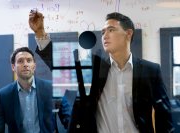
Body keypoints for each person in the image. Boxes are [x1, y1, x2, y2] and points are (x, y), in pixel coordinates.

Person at [29, 11, 175, 133]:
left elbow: (164, 117)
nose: (105, 35)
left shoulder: (150, 70)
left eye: (111, 30)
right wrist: (40, 33)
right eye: (103, 31)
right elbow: (59, 64)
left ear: (128, 33)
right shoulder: (94, 68)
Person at [0, 47, 54, 133]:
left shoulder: (50, 88)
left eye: (29, 60)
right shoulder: (4, 95)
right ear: (13, 67)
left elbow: (67, 118)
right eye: (20, 61)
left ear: (34, 66)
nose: (25, 64)